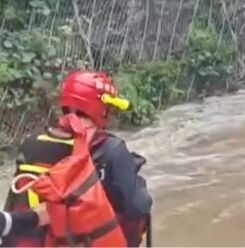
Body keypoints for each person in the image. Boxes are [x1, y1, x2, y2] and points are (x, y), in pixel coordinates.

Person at [3, 71, 152, 247]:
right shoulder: (111, 149)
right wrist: (139, 185)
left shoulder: (32, 143)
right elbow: (138, 207)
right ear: (102, 109)